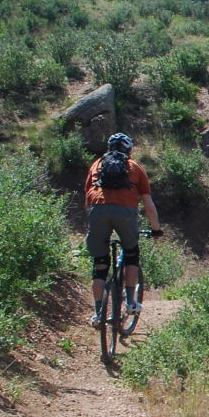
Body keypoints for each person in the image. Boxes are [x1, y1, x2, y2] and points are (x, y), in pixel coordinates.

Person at [84, 132, 163, 327]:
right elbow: (149, 205)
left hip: (97, 209)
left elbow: (87, 200)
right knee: (131, 253)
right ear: (129, 149)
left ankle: (97, 314)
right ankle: (130, 302)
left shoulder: (96, 165)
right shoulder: (134, 167)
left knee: (100, 263)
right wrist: (156, 229)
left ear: (109, 149)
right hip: (125, 211)